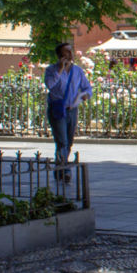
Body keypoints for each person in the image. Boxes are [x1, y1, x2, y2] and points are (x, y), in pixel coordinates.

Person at [44, 43, 93, 183]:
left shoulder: (77, 71)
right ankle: (65, 169)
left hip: (72, 109)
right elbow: (50, 85)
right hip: (58, 110)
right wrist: (59, 70)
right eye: (67, 51)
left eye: (71, 51)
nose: (70, 54)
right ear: (60, 55)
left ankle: (59, 167)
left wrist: (86, 95)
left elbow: (87, 88)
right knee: (62, 141)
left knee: (69, 141)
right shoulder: (51, 70)